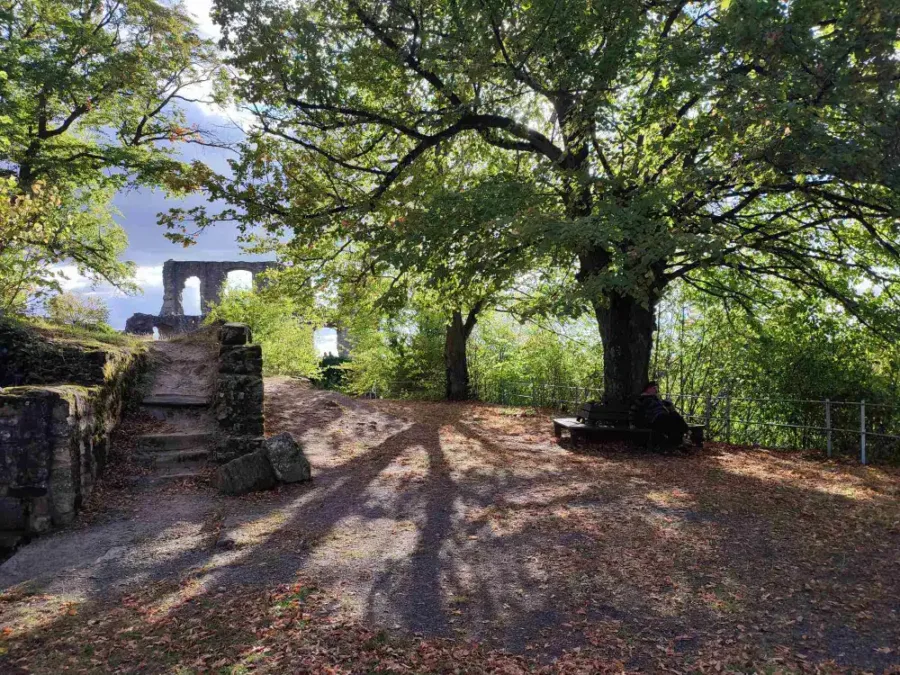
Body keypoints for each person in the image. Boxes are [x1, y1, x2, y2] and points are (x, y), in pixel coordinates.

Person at [630, 381, 690, 448]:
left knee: (675, 417)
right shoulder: (641, 399)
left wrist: (668, 406)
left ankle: (678, 441)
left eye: (656, 388)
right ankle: (682, 437)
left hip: (662, 417)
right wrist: (632, 423)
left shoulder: (657, 399)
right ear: (648, 389)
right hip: (653, 419)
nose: (656, 390)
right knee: (674, 420)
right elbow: (633, 411)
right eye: (654, 388)